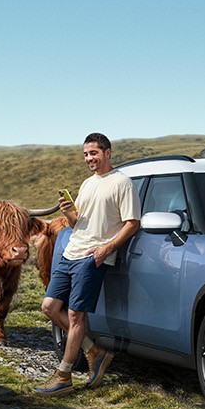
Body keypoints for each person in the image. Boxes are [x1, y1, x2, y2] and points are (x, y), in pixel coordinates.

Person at [35, 132, 140, 394]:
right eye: (85, 154)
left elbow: (133, 223)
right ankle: (94, 351)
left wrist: (107, 248)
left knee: (75, 314)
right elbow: (77, 223)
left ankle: (64, 376)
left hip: (92, 257)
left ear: (107, 152)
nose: (89, 159)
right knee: (49, 307)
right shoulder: (87, 184)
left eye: (93, 153)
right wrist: (68, 212)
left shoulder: (122, 183)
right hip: (72, 252)